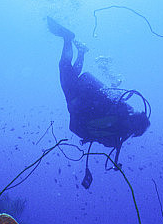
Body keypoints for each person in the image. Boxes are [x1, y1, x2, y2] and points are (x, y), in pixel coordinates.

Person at [47, 17, 150, 188]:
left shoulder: (118, 128)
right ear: (135, 132)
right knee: (65, 68)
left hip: (79, 99)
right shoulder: (117, 135)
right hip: (77, 101)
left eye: (134, 119)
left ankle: (78, 48)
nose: (131, 119)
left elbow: (96, 125)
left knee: (68, 70)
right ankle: (70, 40)